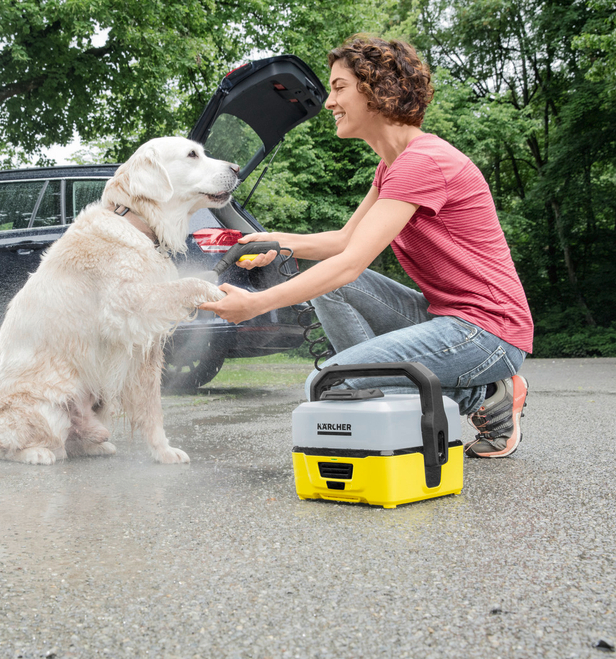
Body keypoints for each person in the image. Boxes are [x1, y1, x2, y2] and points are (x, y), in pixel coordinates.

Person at [198, 35, 533, 458]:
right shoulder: (392, 165)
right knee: (334, 326)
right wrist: (277, 242)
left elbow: (350, 263)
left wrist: (255, 304)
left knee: (331, 383)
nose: (328, 103)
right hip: (448, 318)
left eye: (339, 88)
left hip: (487, 333)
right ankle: (367, 380)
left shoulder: (422, 162)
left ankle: (486, 395)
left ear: (378, 90)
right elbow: (344, 241)